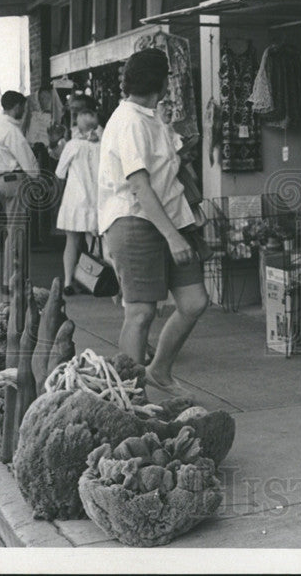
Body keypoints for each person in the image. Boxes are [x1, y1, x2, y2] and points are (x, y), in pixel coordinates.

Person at [98, 48, 209, 399]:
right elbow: (140, 186)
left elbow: (163, 173)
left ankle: (158, 370)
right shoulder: (128, 120)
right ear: (161, 82)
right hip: (135, 221)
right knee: (141, 312)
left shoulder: (151, 117)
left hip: (171, 219)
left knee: (193, 302)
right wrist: (173, 237)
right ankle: (129, 396)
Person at [0, 90, 40, 291]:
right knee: (17, 231)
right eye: (24, 107)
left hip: (0, 181)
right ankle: (11, 280)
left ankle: (15, 277)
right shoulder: (11, 131)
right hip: (15, 180)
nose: (25, 110)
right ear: (17, 106)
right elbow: (28, 161)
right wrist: (36, 176)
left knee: (13, 229)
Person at [55, 105, 101, 295]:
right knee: (95, 242)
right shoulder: (101, 145)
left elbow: (60, 172)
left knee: (72, 242)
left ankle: (68, 281)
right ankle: (93, 280)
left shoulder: (72, 145)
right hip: (96, 198)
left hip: (75, 199)